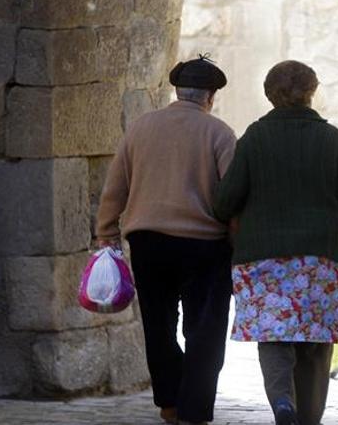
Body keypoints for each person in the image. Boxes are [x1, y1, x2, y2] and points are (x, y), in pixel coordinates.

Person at [213, 60, 338, 425]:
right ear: (311, 92)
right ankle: (309, 417)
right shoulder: (331, 139)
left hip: (264, 257)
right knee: (316, 342)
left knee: (274, 336)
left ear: (270, 95)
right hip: (323, 258)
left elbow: (225, 202)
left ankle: (282, 403)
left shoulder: (255, 137)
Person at [96, 55, 236, 425]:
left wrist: (106, 231)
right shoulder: (219, 133)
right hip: (205, 244)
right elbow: (232, 195)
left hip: (149, 242)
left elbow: (116, 186)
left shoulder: (141, 128)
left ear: (177, 91)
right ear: (210, 96)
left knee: (157, 325)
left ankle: (169, 403)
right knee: (204, 330)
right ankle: (195, 409)